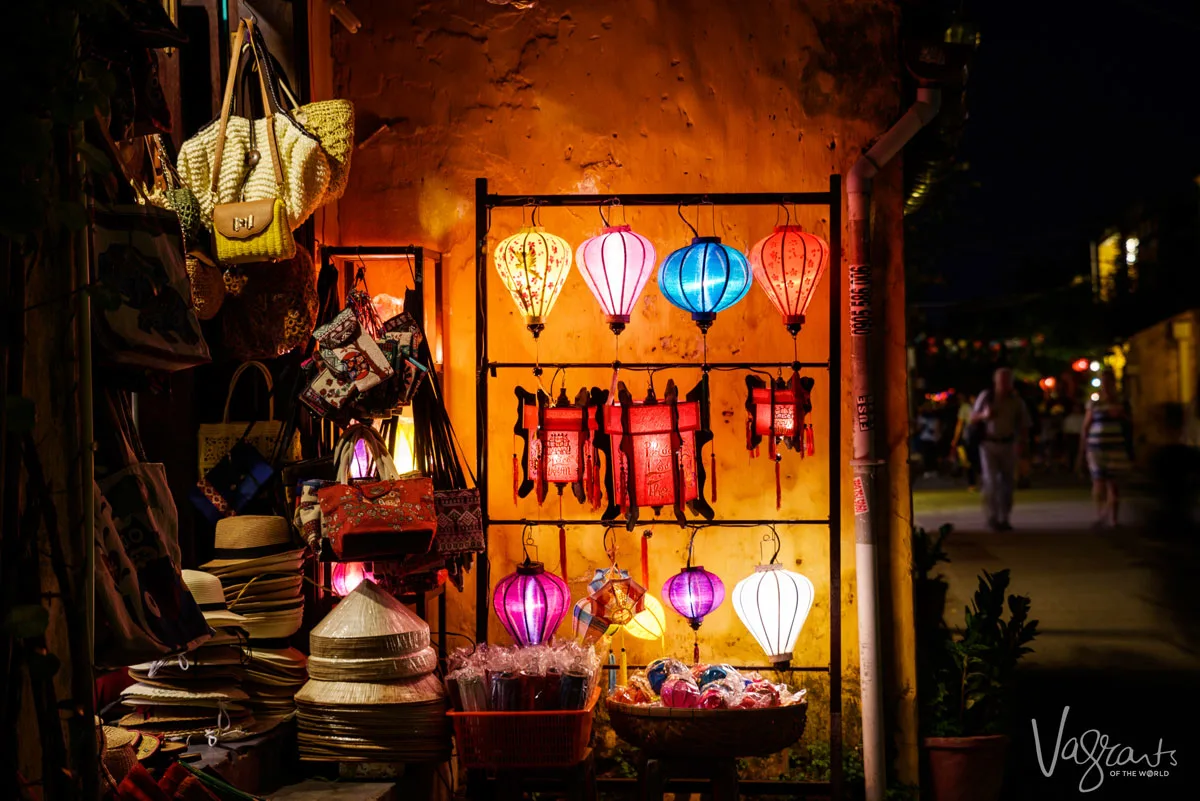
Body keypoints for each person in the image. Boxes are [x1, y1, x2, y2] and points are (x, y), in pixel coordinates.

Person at [972, 368, 1032, 531]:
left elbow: (1024, 424)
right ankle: (992, 516)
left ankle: (1004, 516)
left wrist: (1022, 444)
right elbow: (972, 417)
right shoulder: (987, 397)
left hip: (1008, 444)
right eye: (1001, 380)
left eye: (1007, 380)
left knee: (1007, 483)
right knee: (990, 481)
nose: (1004, 384)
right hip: (988, 444)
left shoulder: (1016, 401)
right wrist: (984, 415)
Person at [1078, 369, 1132, 528]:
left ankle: (1113, 518)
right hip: (1096, 447)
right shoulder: (1095, 402)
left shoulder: (1121, 401)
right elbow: (1086, 426)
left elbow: (1131, 423)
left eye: (1109, 382)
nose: (1107, 386)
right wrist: (1083, 448)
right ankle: (1100, 514)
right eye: (1104, 382)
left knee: (1113, 483)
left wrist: (1121, 415)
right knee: (1098, 481)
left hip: (1115, 446)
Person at [950, 392, 979, 491]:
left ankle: (973, 483)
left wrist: (955, 439)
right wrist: (955, 439)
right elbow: (960, 424)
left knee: (971, 461)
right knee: (970, 461)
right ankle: (973, 483)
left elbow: (960, 424)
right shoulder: (967, 407)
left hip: (974, 438)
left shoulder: (967, 407)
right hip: (971, 438)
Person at [916, 402, 942, 478]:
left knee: (930, 455)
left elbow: (937, 428)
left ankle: (931, 470)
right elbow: (919, 428)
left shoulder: (929, 417)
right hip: (927, 438)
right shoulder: (923, 417)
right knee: (929, 455)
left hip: (929, 438)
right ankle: (930, 470)